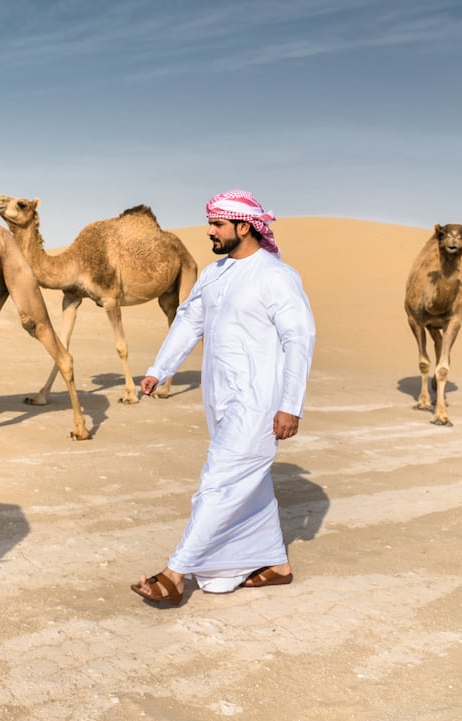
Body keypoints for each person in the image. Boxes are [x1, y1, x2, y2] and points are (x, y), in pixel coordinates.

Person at [130, 189, 315, 606]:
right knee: (247, 481)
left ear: (243, 227)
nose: (209, 230)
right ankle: (275, 563)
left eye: (217, 224)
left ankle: (176, 574)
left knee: (218, 483)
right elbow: (189, 321)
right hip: (220, 397)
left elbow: (299, 339)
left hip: (263, 402)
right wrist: (161, 368)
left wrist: (291, 404)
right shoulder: (214, 274)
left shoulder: (275, 276)